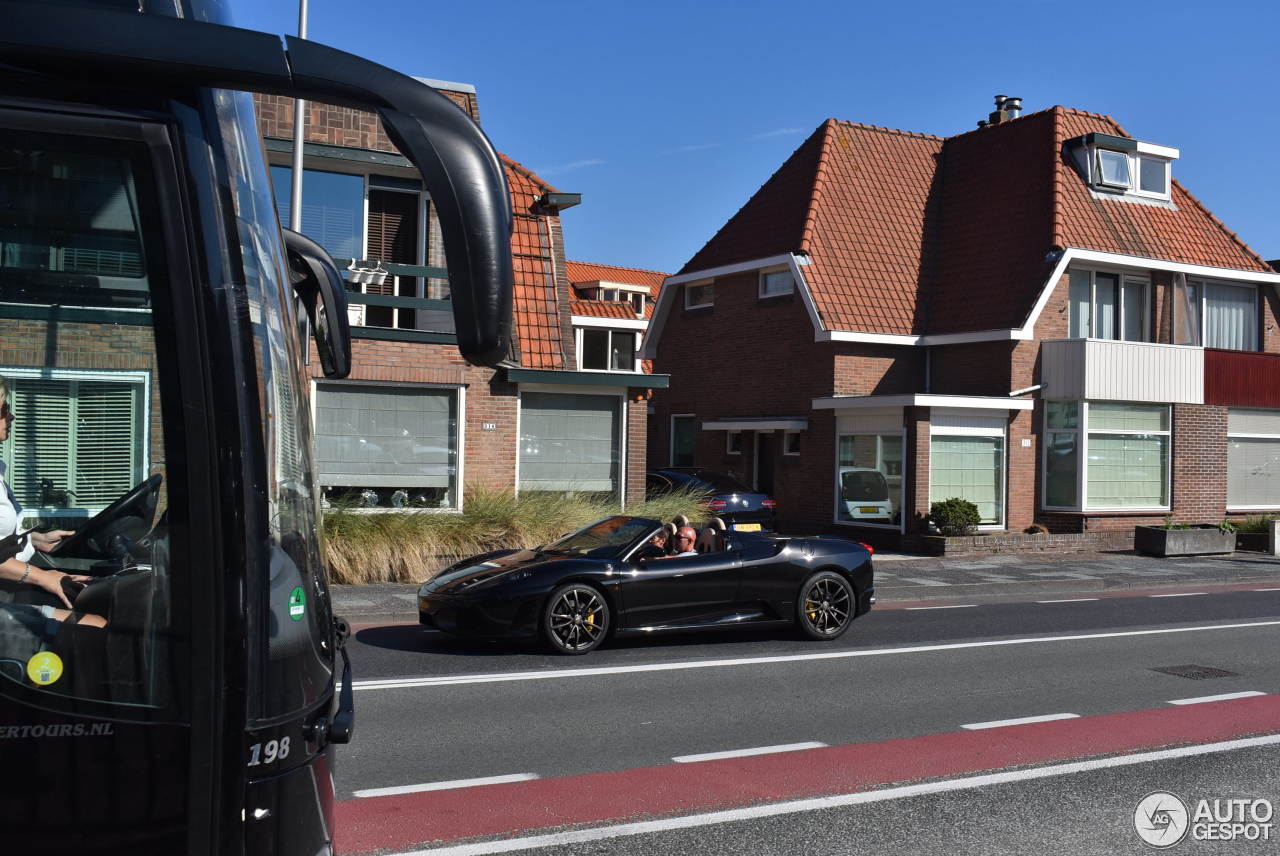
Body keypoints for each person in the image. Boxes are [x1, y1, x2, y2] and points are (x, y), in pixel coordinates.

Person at [0, 376, 104, 631]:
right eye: (3, 410)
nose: (11, 416)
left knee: (96, 598)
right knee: (95, 626)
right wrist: (45, 578)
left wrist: (35, 540)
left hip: (12, 588)